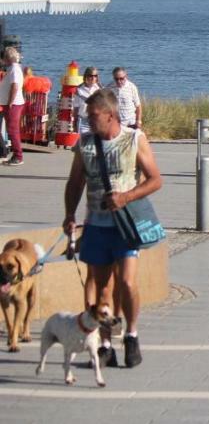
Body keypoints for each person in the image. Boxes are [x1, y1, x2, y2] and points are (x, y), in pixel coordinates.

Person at [61, 88, 163, 369]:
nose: (89, 121)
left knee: (127, 282)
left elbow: (155, 180)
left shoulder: (134, 139)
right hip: (96, 224)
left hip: (125, 224)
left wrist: (126, 197)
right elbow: (74, 183)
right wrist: (69, 214)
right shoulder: (85, 144)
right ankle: (105, 345)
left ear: (111, 115)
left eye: (94, 116)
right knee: (102, 287)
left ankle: (131, 335)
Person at [1, 46, 26, 166]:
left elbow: (15, 86)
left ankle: (18, 156)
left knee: (12, 130)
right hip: (10, 103)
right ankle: (16, 155)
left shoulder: (14, 70)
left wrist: (10, 101)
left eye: (4, 57)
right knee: (12, 130)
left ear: (8, 58)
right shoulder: (12, 69)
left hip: (13, 104)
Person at [74, 66, 101, 136]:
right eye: (90, 76)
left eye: (95, 76)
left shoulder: (99, 88)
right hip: (83, 120)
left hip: (95, 120)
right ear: (86, 76)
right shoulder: (79, 90)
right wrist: (74, 123)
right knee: (82, 143)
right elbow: (76, 108)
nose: (93, 78)